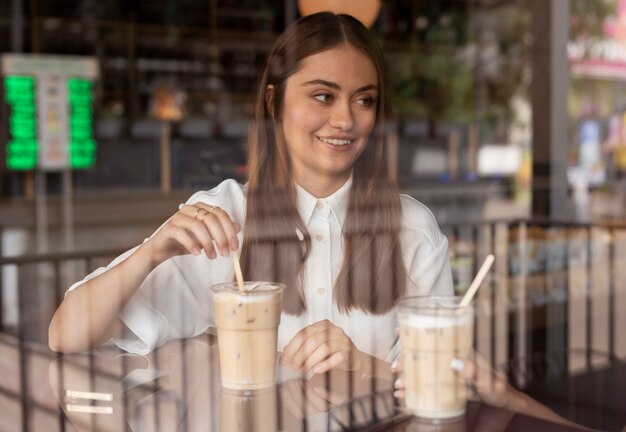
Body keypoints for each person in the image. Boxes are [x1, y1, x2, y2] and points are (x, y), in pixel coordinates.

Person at [48, 12, 452, 378]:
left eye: (364, 100)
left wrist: (364, 366)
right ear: (275, 102)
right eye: (323, 96)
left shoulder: (412, 227)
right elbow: (66, 335)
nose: (345, 119)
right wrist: (152, 251)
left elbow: (445, 380)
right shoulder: (225, 217)